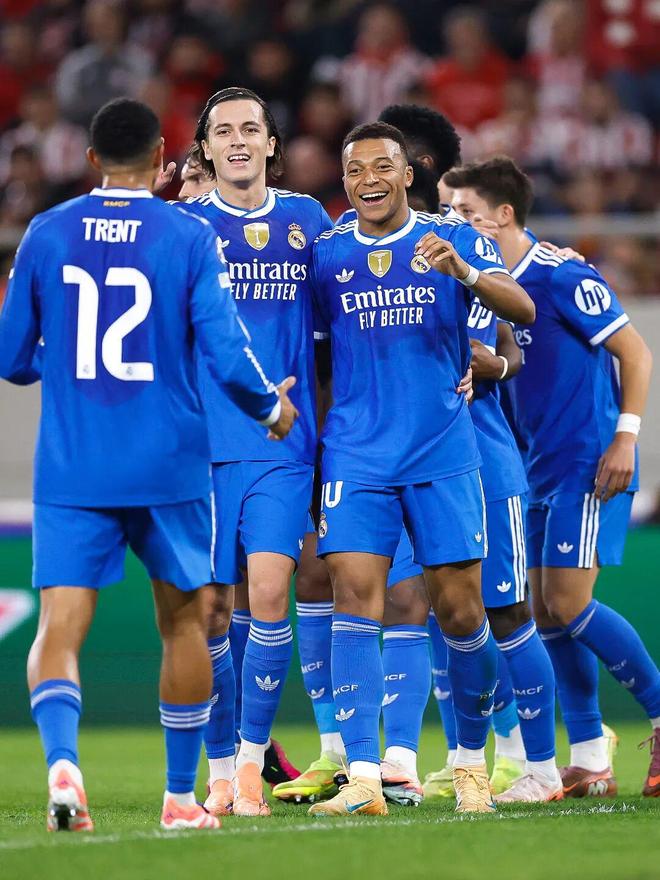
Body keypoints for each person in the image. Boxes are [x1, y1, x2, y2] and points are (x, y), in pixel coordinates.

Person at [0, 97, 296, 832]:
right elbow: (226, 351)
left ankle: (63, 766)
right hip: (169, 462)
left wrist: (63, 363)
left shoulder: (46, 231)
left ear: (91, 158)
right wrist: (271, 410)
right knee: (186, 624)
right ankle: (180, 799)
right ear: (163, 154)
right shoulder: (187, 233)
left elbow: (10, 356)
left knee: (60, 626)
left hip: (74, 465)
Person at [306, 121, 535, 817]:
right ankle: (364, 777)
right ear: (344, 181)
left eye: (382, 166)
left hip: (442, 453)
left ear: (408, 175)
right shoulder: (328, 254)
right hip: (356, 454)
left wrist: (462, 272)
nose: (368, 179)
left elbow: (523, 309)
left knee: (463, 613)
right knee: (354, 598)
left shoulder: (456, 238)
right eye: (355, 169)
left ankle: (469, 765)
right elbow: (318, 360)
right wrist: (316, 457)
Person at [444, 155, 660, 799]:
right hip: (533, 464)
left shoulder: (561, 273)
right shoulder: (484, 290)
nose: (455, 221)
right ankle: (590, 756)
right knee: (543, 612)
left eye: (466, 212)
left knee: (565, 602)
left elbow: (635, 351)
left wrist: (626, 436)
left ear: (503, 215)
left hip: (587, 459)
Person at [181, 87, 333, 817]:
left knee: (271, 593)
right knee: (213, 612)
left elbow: (344, 326)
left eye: (251, 128)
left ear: (272, 144)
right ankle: (217, 768)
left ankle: (247, 766)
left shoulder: (309, 220)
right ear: (206, 149)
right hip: (200, 447)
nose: (238, 140)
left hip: (283, 441)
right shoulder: (184, 228)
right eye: (223, 131)